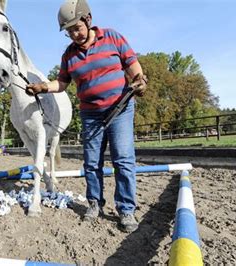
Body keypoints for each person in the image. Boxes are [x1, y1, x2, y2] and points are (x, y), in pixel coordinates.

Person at [25, 0, 147, 232]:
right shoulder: (69, 55)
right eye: (69, 31)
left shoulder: (112, 38)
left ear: (88, 20)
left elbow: (133, 66)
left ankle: (126, 210)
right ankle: (94, 203)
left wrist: (139, 81)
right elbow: (62, 83)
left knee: (123, 160)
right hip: (91, 115)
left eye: (76, 28)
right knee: (92, 163)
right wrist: (41, 87)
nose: (74, 34)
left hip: (120, 109)